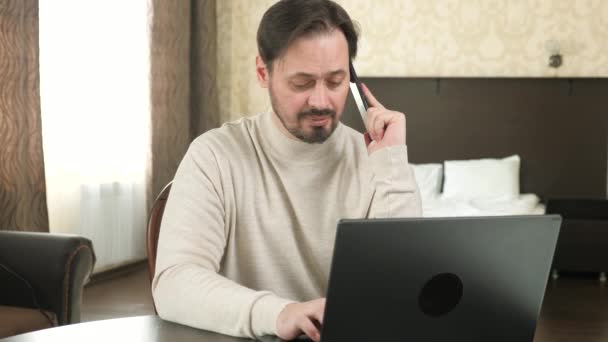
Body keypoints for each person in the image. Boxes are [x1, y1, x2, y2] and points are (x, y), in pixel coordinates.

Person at [152, 0, 421, 341]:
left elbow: (403, 284)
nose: (321, 101)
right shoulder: (214, 157)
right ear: (263, 73)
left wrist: (392, 162)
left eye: (336, 81)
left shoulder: (375, 159)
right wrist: (280, 313)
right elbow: (174, 283)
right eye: (302, 83)